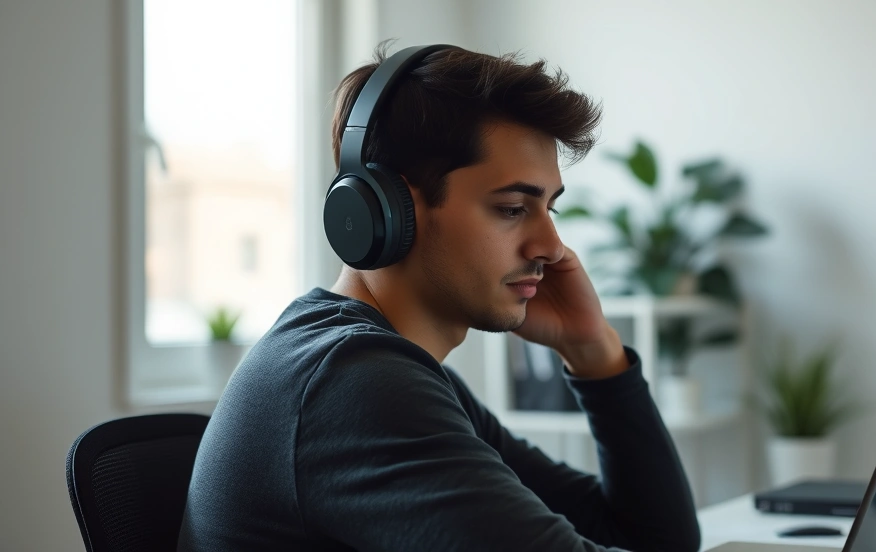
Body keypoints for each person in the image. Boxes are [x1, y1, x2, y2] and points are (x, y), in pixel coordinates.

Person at [178, 42, 701, 552]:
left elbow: (655, 540)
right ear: (391, 208)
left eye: (551, 209)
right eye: (513, 208)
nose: (551, 247)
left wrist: (594, 352)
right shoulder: (354, 383)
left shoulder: (398, 374)